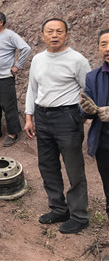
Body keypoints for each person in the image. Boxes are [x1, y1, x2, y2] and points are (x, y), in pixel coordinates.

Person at [24, 18, 91, 234]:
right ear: (42, 35)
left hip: (67, 116)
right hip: (42, 117)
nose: (54, 35)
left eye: (59, 31)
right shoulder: (38, 59)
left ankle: (79, 215)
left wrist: (81, 115)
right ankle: (58, 208)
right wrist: (29, 117)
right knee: (47, 165)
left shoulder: (77, 60)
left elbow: (88, 89)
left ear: (67, 35)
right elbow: (32, 89)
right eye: (50, 31)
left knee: (74, 167)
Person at [0, 12, 31, 146]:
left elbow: (26, 49)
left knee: (9, 106)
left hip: (4, 78)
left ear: (1, 22)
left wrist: (17, 66)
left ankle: (13, 133)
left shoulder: (10, 35)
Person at [80, 29, 109, 218]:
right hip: (104, 145)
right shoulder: (93, 77)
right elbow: (85, 109)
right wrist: (86, 110)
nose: (107, 49)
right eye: (103, 44)